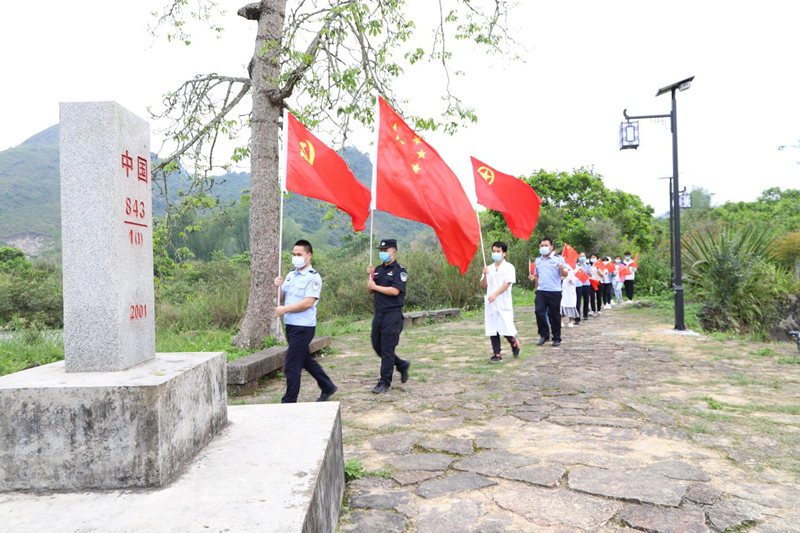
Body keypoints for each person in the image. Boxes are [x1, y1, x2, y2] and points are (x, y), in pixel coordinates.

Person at [273, 239, 337, 403]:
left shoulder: (313, 278)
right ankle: (327, 386)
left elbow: (309, 302)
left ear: (308, 256)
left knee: (291, 365)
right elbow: (281, 297)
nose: (296, 257)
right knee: (305, 360)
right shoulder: (290, 275)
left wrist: (285, 309)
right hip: (291, 325)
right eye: (294, 254)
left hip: (303, 327)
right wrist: (277, 286)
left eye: (299, 254)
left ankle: (289, 400)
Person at [366, 239, 411, 394]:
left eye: (386, 250)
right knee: (376, 345)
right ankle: (401, 364)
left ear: (394, 251)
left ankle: (384, 382)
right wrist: (370, 277)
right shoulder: (378, 269)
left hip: (393, 314)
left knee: (387, 348)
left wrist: (376, 286)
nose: (383, 253)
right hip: (379, 314)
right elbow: (370, 291)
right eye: (381, 250)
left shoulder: (400, 270)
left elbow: (395, 291)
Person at [481, 241, 520, 363]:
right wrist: (485, 275)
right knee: (493, 328)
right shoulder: (489, 268)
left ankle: (513, 343)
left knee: (505, 327)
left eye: (498, 251)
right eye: (494, 251)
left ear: (504, 253)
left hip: (503, 301)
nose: (495, 253)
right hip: (491, 303)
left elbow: (507, 283)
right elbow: (483, 285)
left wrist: (495, 294)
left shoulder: (509, 267)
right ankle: (496, 354)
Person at [528, 238, 568, 346]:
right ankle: (544, 335)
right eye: (541, 246)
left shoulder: (558, 260)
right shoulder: (538, 261)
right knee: (539, 312)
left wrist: (562, 269)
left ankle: (556, 337)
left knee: (554, 315)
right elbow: (537, 275)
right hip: (541, 291)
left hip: (554, 291)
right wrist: (536, 288)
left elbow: (565, 274)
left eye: (546, 245)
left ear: (551, 247)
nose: (543, 247)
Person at [560, 264, 579, 328]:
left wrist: (573, 280)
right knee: (561, 304)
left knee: (571, 304)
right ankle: (561, 321)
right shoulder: (562, 264)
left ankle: (570, 321)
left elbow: (578, 275)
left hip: (571, 287)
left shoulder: (575, 266)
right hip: (563, 287)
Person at [574, 252, 591, 324]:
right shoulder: (575, 266)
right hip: (578, 284)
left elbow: (590, 274)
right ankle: (577, 317)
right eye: (581, 256)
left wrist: (590, 272)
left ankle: (585, 314)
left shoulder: (588, 265)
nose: (582, 257)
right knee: (577, 301)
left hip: (586, 284)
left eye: (583, 256)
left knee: (586, 300)